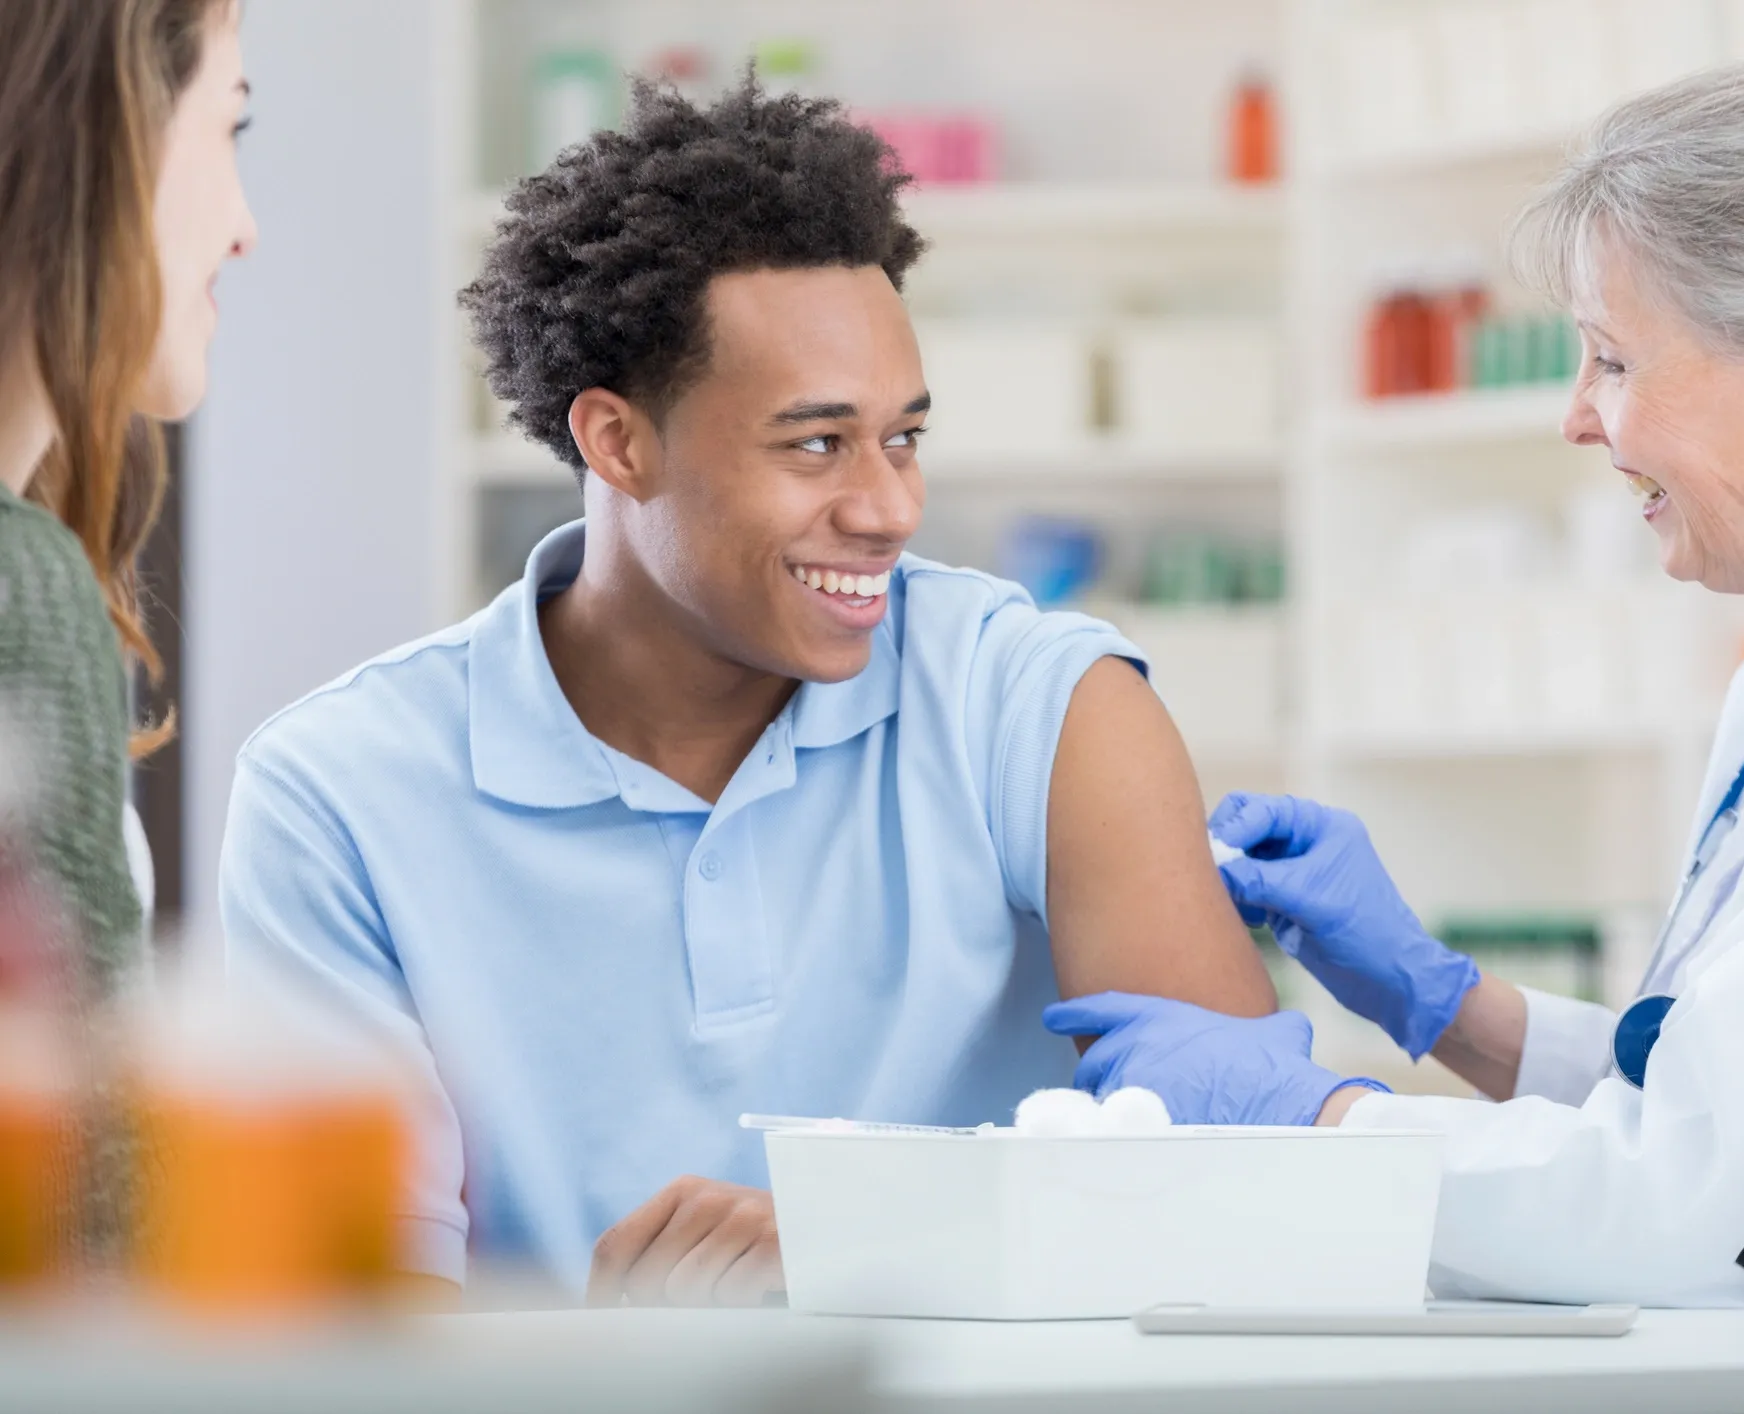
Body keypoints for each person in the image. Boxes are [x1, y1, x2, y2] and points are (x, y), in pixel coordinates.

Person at [1050, 44, 1744, 1318]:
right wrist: (1446, 1001)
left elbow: (1689, 1216)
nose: (1576, 416)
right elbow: (1710, 1099)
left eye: (1613, 361)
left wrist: (1312, 1117)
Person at [219, 78, 1274, 1307]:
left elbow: (1250, 1205)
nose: (888, 508)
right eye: (816, 444)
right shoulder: (337, 794)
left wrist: (880, 1246)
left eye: (906, 437)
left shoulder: (1041, 709)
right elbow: (355, 1338)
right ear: (618, 442)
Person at [0, 2, 253, 993]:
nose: (245, 228)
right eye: (231, 126)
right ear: (105, 125)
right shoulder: (22, 581)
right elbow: (88, 1142)